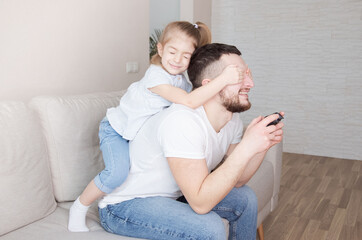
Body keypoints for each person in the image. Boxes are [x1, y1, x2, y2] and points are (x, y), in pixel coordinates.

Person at [68, 22, 245, 232]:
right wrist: (224, 79)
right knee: (117, 172)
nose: (178, 60)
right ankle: (80, 206)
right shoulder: (156, 76)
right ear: (160, 49)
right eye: (172, 52)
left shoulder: (182, 81)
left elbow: (198, 97)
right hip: (117, 130)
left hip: (136, 131)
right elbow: (190, 102)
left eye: (186, 55)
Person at [98, 43, 284, 240]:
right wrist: (246, 148)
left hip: (174, 195)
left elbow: (239, 179)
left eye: (247, 74)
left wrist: (261, 144)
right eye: (238, 76)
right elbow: (200, 203)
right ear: (210, 84)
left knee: (245, 199)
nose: (250, 83)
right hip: (126, 205)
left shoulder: (232, 120)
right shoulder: (183, 121)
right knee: (210, 227)